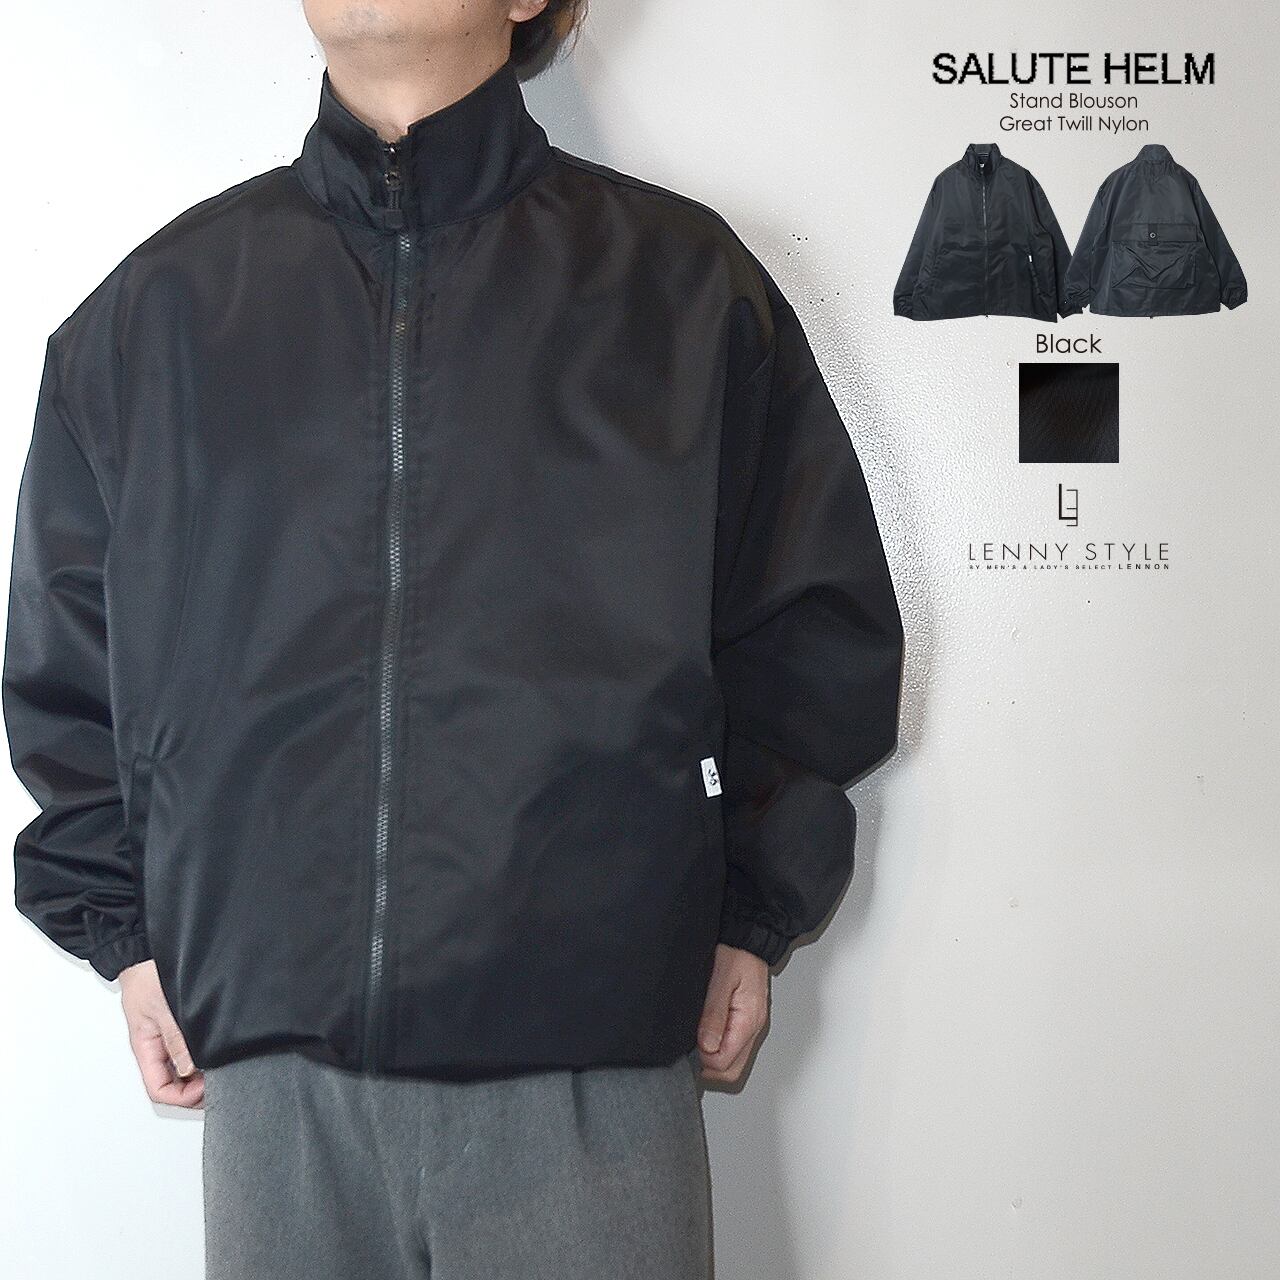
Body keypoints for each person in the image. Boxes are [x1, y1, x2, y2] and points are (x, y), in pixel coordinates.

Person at [3, 1, 904, 1276]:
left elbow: (806, 622)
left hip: (587, 1047)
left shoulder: (681, 289)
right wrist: (125, 929)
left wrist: (753, 906)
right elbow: (66, 658)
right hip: (276, 1067)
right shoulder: (159, 314)